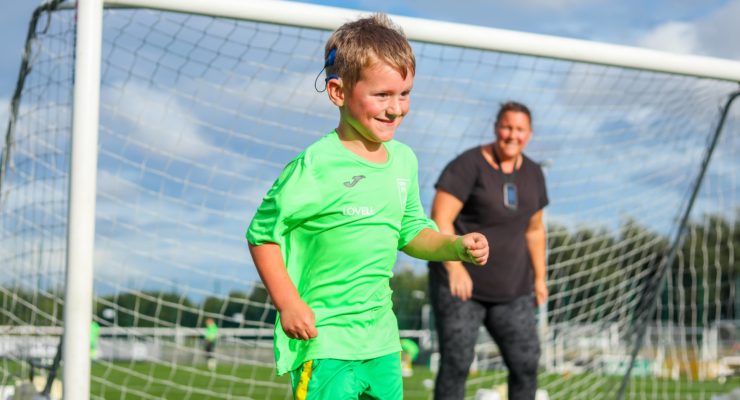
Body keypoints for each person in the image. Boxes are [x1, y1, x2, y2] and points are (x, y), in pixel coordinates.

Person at [246, 13, 489, 400]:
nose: (396, 108)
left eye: (405, 93)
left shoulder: (404, 160)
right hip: (324, 342)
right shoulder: (315, 165)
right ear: (338, 92)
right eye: (382, 95)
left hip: (382, 341)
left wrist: (455, 246)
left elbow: (411, 232)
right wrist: (288, 303)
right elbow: (261, 236)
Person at [428, 101, 548, 400]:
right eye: (507, 127)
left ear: (529, 134)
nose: (512, 135)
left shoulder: (534, 173)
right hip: (462, 289)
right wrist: (454, 267)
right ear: (496, 128)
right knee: (456, 363)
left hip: (512, 290)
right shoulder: (468, 165)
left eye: (520, 129)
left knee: (526, 362)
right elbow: (440, 217)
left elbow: (535, 230)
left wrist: (540, 279)